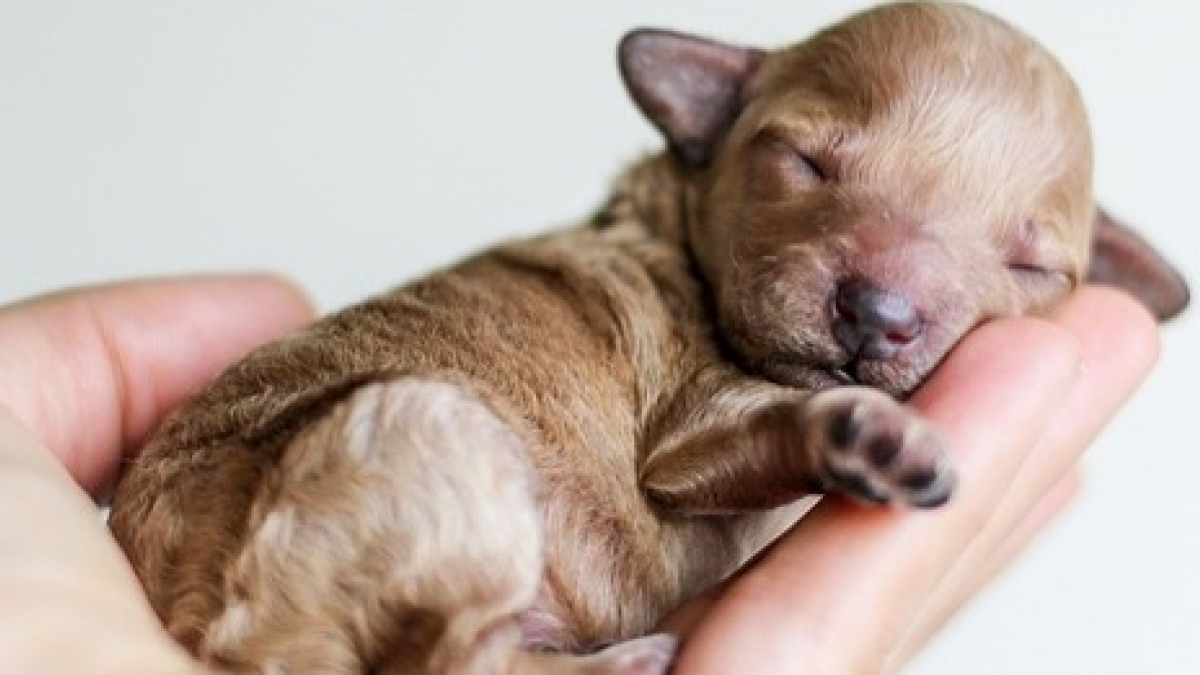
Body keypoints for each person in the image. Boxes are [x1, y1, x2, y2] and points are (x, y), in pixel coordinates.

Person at [0, 274, 1159, 674]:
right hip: (333, 534)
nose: (891, 295)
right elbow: (688, 452)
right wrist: (809, 435)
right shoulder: (654, 292)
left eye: (1018, 254)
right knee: (434, 456)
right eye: (811, 164)